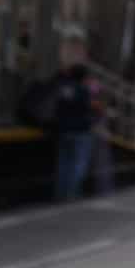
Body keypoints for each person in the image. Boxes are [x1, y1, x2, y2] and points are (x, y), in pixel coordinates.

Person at [52, 64, 96, 202]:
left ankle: (60, 192)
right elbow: (87, 109)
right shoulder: (84, 90)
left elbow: (58, 107)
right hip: (81, 130)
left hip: (64, 129)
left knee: (63, 162)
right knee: (78, 163)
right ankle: (72, 192)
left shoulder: (64, 89)